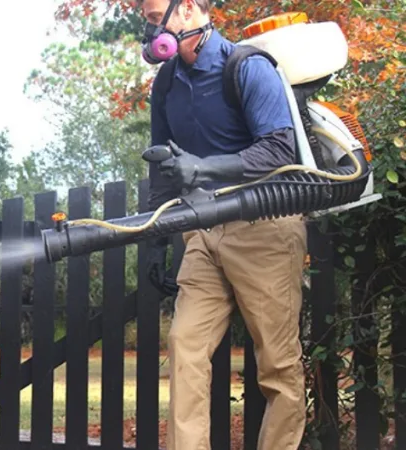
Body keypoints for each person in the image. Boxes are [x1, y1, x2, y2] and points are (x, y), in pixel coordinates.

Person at [139, 0, 308, 449]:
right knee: (185, 345)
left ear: (187, 9)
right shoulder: (166, 83)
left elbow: (278, 151)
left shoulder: (247, 67)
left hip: (264, 228)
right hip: (204, 231)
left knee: (277, 363)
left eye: (155, 19)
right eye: (147, 21)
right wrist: (156, 241)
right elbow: (162, 167)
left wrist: (203, 167)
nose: (150, 32)